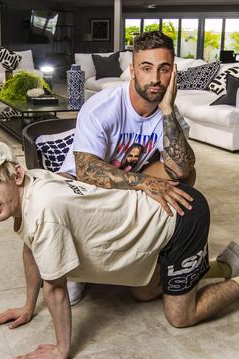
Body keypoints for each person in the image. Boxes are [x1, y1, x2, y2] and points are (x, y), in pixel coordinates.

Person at [0, 142, 239, 359]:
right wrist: (28, 306)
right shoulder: (34, 183)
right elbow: (30, 248)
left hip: (180, 216)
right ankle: (225, 264)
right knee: (144, 292)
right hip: (149, 225)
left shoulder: (43, 207)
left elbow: (56, 287)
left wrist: (62, 350)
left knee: (181, 316)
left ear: (15, 175)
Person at [58, 31, 199, 304]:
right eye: (146, 68)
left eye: (164, 69)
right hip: (84, 185)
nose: (156, 79)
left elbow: (182, 169)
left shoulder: (169, 113)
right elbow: (86, 171)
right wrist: (146, 184)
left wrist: (168, 110)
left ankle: (149, 245)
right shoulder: (103, 106)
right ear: (132, 70)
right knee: (65, 188)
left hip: (128, 183)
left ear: (174, 73)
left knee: (186, 173)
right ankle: (79, 265)